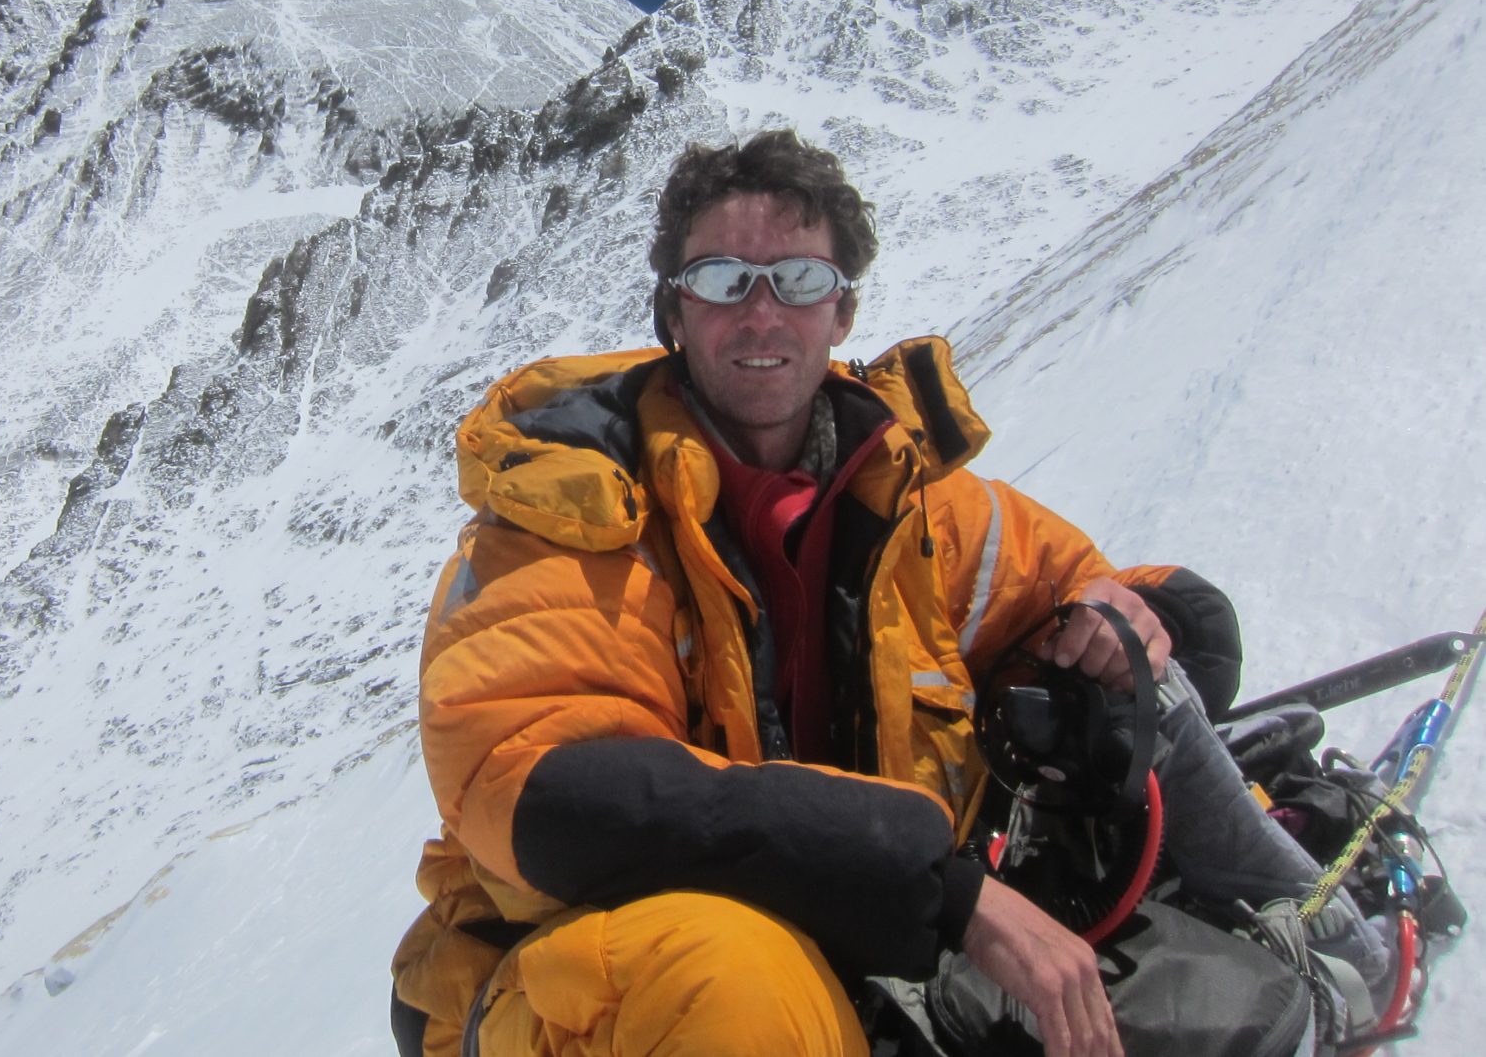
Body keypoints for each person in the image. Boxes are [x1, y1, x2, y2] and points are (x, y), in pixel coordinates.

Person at [388, 130, 1314, 1057]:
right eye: (721, 279)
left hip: (869, 947)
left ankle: (1317, 928)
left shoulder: (902, 497)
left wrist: (1136, 618)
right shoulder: (573, 511)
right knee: (733, 983)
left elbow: (1086, 585)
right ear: (674, 310)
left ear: (842, 312)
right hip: (574, 994)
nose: (761, 314)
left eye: (797, 280)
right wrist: (940, 888)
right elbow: (547, 791)